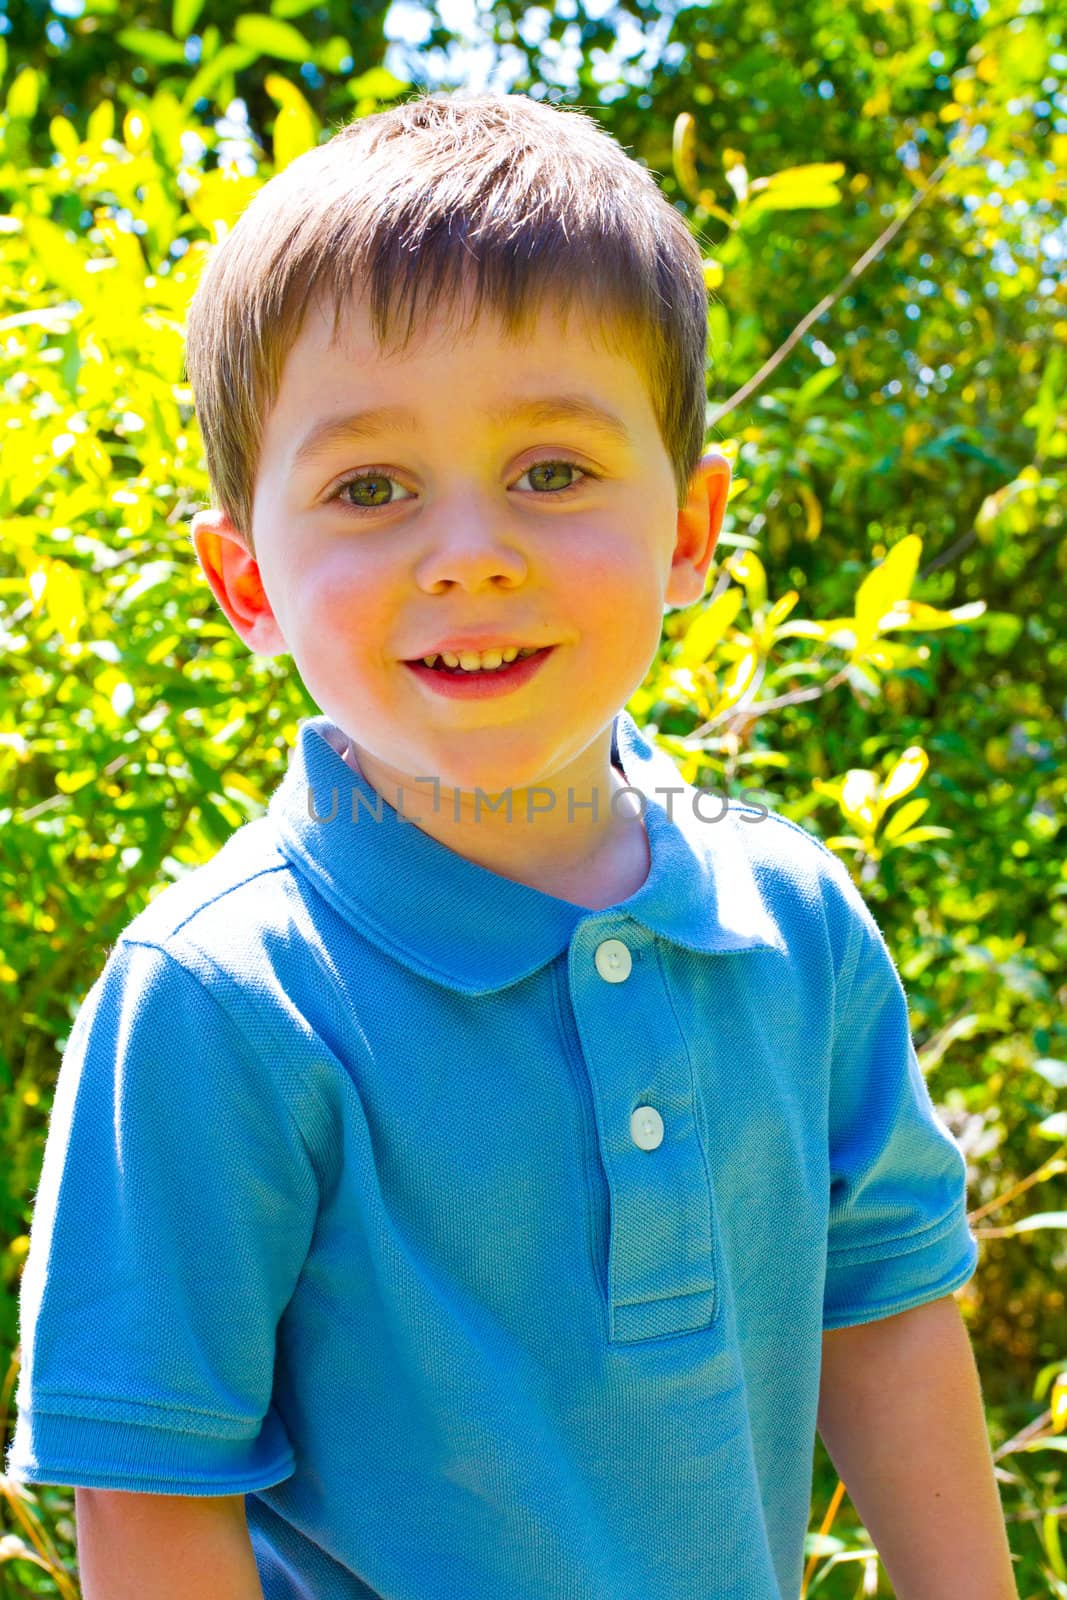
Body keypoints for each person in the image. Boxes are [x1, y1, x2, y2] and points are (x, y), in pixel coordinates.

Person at [5, 90, 1016, 1600]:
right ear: (244, 580)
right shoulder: (220, 1005)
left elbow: (880, 1312)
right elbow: (153, 1494)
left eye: (553, 471)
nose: (468, 549)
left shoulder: (790, 919)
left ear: (689, 531)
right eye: (368, 488)